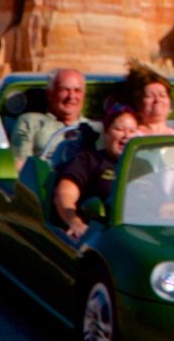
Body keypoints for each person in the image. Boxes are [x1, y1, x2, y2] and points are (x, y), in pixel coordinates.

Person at [56, 110, 139, 241]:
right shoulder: (89, 160)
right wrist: (73, 221)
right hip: (102, 234)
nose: (126, 136)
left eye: (132, 131)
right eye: (119, 129)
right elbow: (65, 194)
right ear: (106, 132)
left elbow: (162, 201)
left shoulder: (144, 165)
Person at [13, 68, 97, 161]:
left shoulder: (94, 128)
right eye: (64, 90)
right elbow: (21, 164)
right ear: (50, 94)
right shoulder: (30, 122)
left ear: (83, 95)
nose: (71, 97)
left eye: (77, 90)